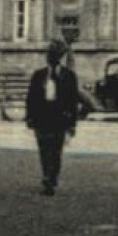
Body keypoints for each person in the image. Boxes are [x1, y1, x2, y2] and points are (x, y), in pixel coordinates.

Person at [25, 40, 79, 195]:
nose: (50, 58)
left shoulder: (69, 76)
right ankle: (47, 177)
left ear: (60, 57)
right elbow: (31, 98)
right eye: (49, 54)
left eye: (54, 55)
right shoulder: (39, 75)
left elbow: (73, 101)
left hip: (59, 119)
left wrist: (72, 124)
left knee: (56, 150)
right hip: (42, 117)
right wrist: (29, 117)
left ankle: (53, 176)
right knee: (44, 150)